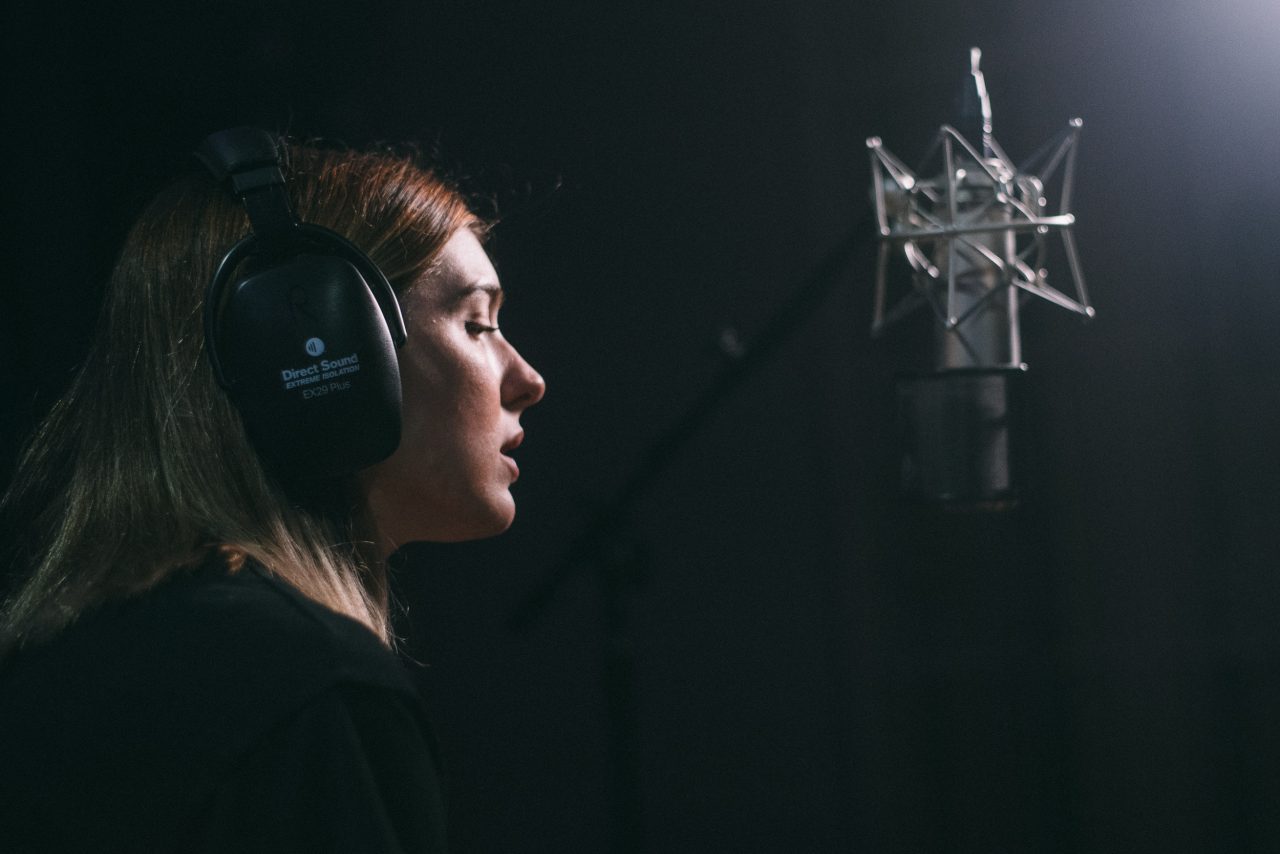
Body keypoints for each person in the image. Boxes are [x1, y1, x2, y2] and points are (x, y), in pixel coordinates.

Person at [0, 133, 545, 852]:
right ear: (326, 343)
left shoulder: (62, 661)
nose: (529, 380)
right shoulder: (315, 699)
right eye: (477, 322)